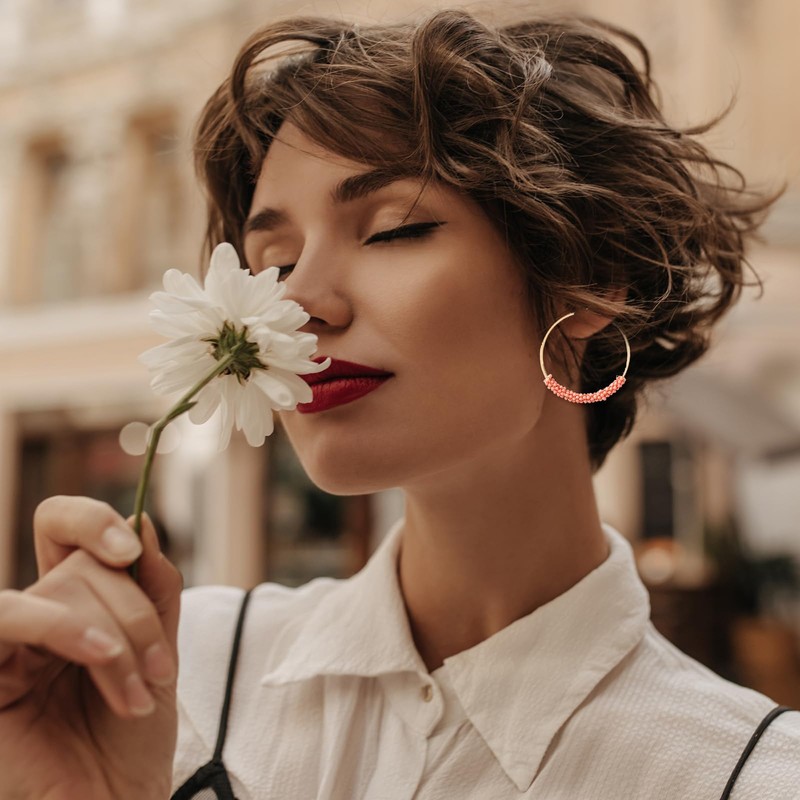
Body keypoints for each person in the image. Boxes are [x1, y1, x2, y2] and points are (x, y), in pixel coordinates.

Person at [1, 9, 798, 799]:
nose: (298, 304)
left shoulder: (742, 775)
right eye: (272, 261)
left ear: (585, 279)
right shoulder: (168, 678)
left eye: (393, 230)